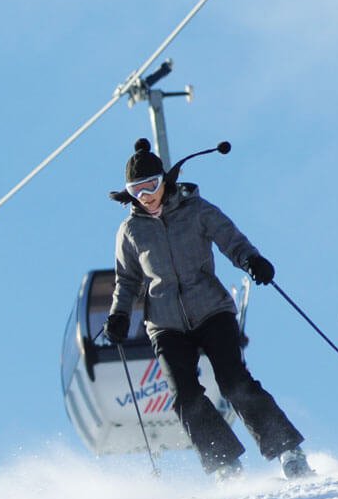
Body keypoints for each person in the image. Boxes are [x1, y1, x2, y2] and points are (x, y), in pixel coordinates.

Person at [104, 139, 311, 480]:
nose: (145, 196)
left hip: (211, 309)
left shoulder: (195, 209)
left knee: (233, 381)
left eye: (151, 186)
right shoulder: (130, 231)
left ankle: (288, 450)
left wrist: (252, 261)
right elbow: (126, 280)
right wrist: (119, 315)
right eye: (136, 191)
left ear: (164, 180)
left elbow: (231, 239)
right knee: (185, 394)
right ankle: (224, 463)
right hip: (166, 323)